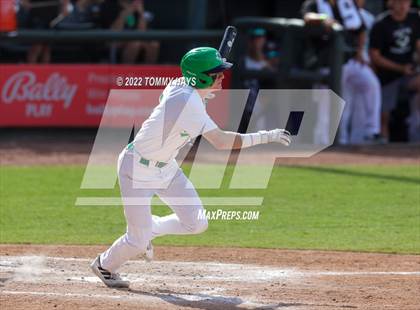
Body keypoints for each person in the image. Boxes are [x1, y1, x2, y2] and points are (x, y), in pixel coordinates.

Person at [90, 47, 292, 288]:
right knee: (136, 240)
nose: (222, 77)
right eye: (217, 73)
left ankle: (151, 229)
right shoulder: (188, 104)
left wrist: (203, 87)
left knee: (197, 223)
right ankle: (104, 265)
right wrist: (264, 136)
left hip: (167, 169)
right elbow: (221, 141)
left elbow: (189, 85)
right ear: (201, 78)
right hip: (136, 169)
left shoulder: (182, 86)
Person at [302, 0, 383, 145]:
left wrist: (359, 51)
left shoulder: (346, 2)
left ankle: (372, 132)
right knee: (327, 108)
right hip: (326, 64)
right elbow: (307, 17)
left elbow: (361, 29)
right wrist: (323, 19)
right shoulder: (314, 3)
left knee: (371, 84)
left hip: (350, 61)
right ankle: (324, 144)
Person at [369, 0, 420, 141]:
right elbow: (375, 57)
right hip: (387, 77)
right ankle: (383, 146)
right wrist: (401, 68)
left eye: (406, 2)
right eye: (399, 2)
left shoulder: (415, 18)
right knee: (383, 116)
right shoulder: (380, 24)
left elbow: (418, 45)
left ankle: (415, 136)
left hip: (409, 74)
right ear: (391, 3)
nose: (403, 6)